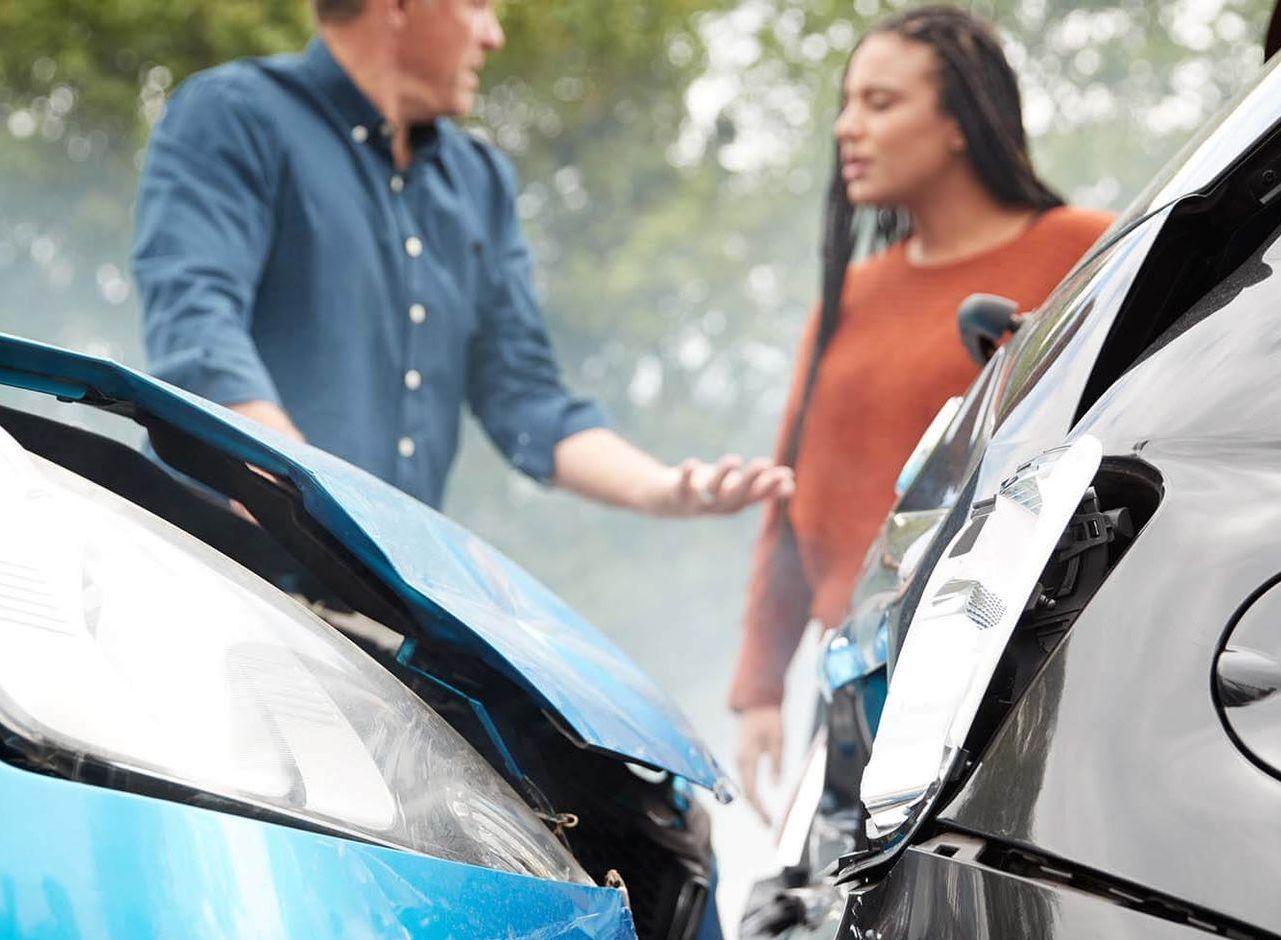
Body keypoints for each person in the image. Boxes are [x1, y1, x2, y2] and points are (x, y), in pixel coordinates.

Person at [131, 0, 793, 518]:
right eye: (476, 5)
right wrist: (302, 501)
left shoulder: (479, 181)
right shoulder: (233, 115)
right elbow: (198, 329)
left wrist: (663, 487)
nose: (493, 35)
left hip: (368, 615)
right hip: (208, 572)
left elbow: (524, 397)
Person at [730, 5, 1113, 818]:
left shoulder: (1086, 252)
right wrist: (761, 685)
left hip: (1009, 687)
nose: (846, 128)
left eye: (879, 102)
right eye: (845, 102)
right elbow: (790, 496)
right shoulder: (849, 298)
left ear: (958, 121)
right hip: (852, 697)